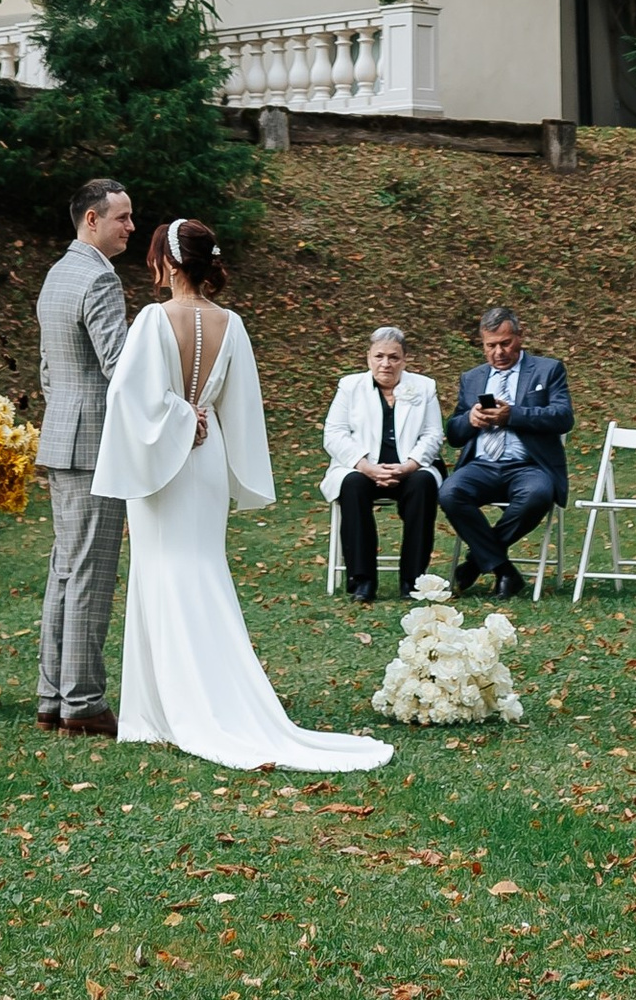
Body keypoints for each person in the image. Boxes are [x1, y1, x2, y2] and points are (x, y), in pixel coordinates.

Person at [90, 215, 392, 772]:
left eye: (155, 254)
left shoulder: (153, 319)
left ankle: (166, 712)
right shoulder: (232, 323)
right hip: (203, 461)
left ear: (168, 262)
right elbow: (241, 405)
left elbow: (129, 400)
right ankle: (170, 708)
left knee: (164, 574)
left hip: (167, 463)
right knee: (199, 570)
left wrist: (177, 418)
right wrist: (199, 422)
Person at [35, 177, 134, 740]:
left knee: (65, 570)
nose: (130, 227)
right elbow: (119, 367)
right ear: (91, 220)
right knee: (89, 574)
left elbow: (50, 369)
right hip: (93, 443)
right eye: (121, 217)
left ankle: (54, 698)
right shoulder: (98, 278)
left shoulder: (58, 273)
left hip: (63, 435)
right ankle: (84, 704)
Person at [440, 305, 574, 597]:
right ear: (483, 344)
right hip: (482, 466)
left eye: (505, 343)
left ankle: (476, 563)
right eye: (490, 346)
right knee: (450, 492)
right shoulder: (472, 378)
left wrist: (512, 415)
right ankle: (503, 570)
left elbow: (563, 417)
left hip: (529, 465)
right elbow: (453, 434)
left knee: (537, 495)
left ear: (519, 337)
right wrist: (470, 419)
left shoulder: (547, 369)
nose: (498, 352)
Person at [321, 326, 445, 601]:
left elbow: (433, 435)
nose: (385, 363)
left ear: (404, 359)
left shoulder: (424, 387)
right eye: (379, 356)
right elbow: (334, 433)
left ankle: (413, 580)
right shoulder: (350, 386)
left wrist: (409, 466)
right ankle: (362, 580)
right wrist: (365, 466)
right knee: (352, 484)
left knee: (424, 482)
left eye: (393, 357)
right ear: (368, 357)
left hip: (409, 470)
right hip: (362, 469)